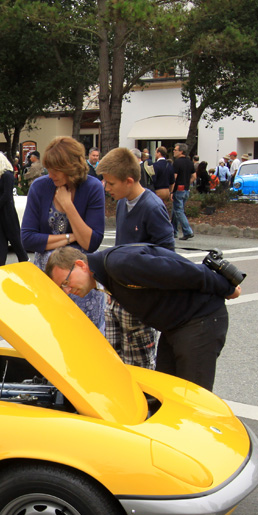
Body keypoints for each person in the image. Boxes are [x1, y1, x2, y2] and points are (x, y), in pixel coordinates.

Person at [46, 244, 241, 391]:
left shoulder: (119, 264)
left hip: (201, 319)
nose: (68, 291)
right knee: (167, 392)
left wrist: (227, 287)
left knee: (194, 398)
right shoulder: (106, 275)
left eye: (66, 282)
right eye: (63, 289)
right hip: (176, 326)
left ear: (80, 265)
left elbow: (182, 271)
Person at [97, 147, 175, 369]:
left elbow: (167, 256)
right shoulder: (122, 202)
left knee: (139, 364)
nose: (106, 187)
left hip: (139, 301)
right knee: (113, 360)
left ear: (129, 181)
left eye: (111, 183)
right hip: (117, 295)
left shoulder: (152, 207)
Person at [21, 136, 106, 330]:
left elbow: (91, 243)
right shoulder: (40, 187)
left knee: (86, 334)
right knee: (51, 331)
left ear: (71, 167)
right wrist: (71, 237)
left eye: (55, 169)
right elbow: (27, 239)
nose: (50, 174)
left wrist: (68, 206)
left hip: (80, 278)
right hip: (48, 274)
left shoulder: (92, 188)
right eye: (48, 168)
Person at [0, 152, 28, 269]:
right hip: (1, 208)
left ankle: (24, 258)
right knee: (0, 236)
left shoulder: (8, 175)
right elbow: (2, 191)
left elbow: (7, 194)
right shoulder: (1, 176)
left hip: (6, 209)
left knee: (13, 235)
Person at [171, 143, 195, 240]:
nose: (173, 151)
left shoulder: (177, 163)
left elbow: (174, 178)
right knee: (176, 210)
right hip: (186, 189)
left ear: (181, 151)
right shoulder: (190, 162)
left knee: (178, 211)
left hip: (178, 189)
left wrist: (171, 191)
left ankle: (187, 231)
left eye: (175, 150)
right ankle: (173, 231)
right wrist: (187, 183)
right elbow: (194, 176)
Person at [152, 146, 174, 213]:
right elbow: (172, 181)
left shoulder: (155, 165)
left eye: (156, 152)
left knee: (156, 209)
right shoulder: (169, 165)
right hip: (167, 190)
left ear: (159, 153)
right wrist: (171, 192)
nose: (155, 154)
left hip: (158, 190)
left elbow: (153, 179)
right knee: (163, 208)